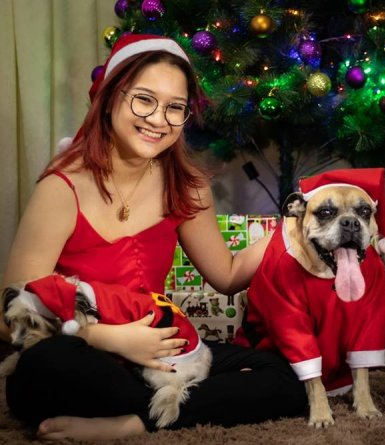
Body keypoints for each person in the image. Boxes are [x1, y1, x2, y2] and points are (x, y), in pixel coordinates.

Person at [1, 34, 307, 441]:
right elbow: (11, 320)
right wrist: (110, 338)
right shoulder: (62, 187)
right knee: (47, 364)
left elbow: (229, 274)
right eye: (144, 99)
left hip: (160, 353)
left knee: (287, 377)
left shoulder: (187, 186)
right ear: (111, 97)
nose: (159, 119)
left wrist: (297, 228)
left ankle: (131, 423)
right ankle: (175, 407)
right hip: (82, 356)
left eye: (175, 108)